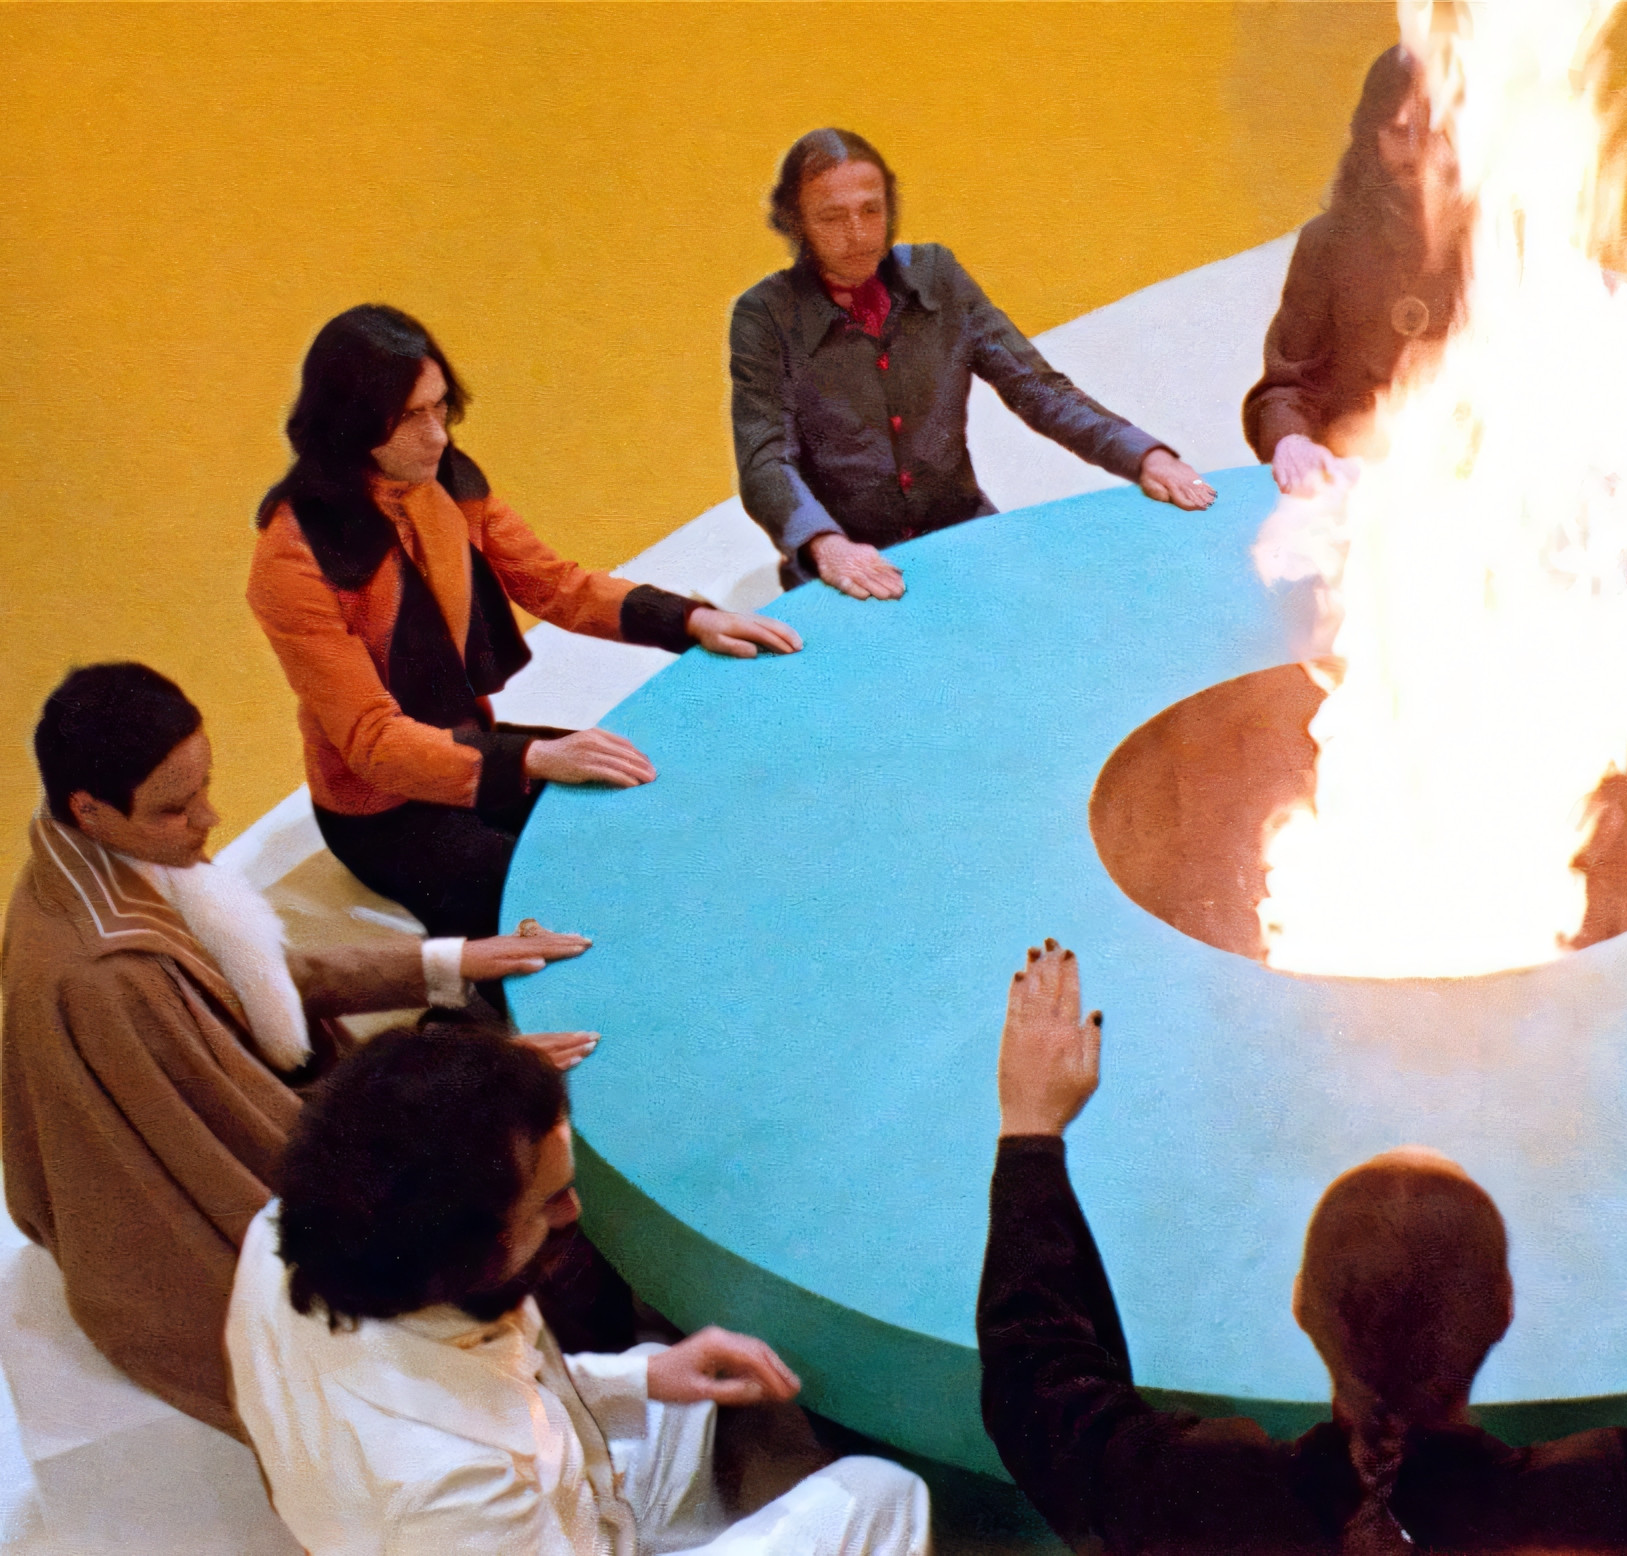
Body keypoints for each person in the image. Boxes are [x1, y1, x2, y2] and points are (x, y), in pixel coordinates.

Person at [977, 935, 1627, 1554]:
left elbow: (1036, 1373)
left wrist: (1031, 1131)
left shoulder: (1193, 1500)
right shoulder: (1605, 1510)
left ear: (1301, 1305)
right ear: (1503, 1310)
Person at [2, 663, 599, 1439]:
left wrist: (452, 961)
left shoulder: (104, 857)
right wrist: (481, 1093)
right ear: (89, 808)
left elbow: (257, 975)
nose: (208, 819)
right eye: (177, 808)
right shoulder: (108, 980)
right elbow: (254, 1135)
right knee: (546, 1250)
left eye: (205, 788)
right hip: (231, 1193)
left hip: (264, 1109)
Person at [227, 1024, 931, 1555]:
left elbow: (495, 1384)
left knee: (674, 1372)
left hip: (559, 1506)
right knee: (884, 1495)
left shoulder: (281, 1232)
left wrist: (645, 1378)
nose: (574, 1211)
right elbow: (481, 1434)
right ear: (468, 1260)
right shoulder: (456, 1494)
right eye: (549, 1201)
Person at [250, 305, 802, 942]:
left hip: (474, 745)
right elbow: (373, 743)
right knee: (553, 905)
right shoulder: (291, 562)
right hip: (383, 812)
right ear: (350, 423)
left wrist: (689, 619)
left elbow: (553, 583)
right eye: (409, 417)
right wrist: (538, 758)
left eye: (440, 407)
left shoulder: (444, 482)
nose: (437, 436)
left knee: (650, 802)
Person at [731, 127, 1217, 600]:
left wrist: (1147, 457)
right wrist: (825, 545)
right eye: (831, 217)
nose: (857, 234)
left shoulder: (937, 274)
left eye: (871, 210)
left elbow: (1037, 388)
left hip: (963, 539)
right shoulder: (765, 315)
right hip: (842, 567)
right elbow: (765, 459)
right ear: (796, 222)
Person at [1245, 45, 1466, 496]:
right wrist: (1291, 442)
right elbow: (1285, 388)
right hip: (1353, 495)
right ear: (1371, 135)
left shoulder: (1505, 246)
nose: (1414, 153)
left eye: (1432, 133)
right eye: (1398, 132)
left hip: (1473, 495)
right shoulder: (1328, 244)